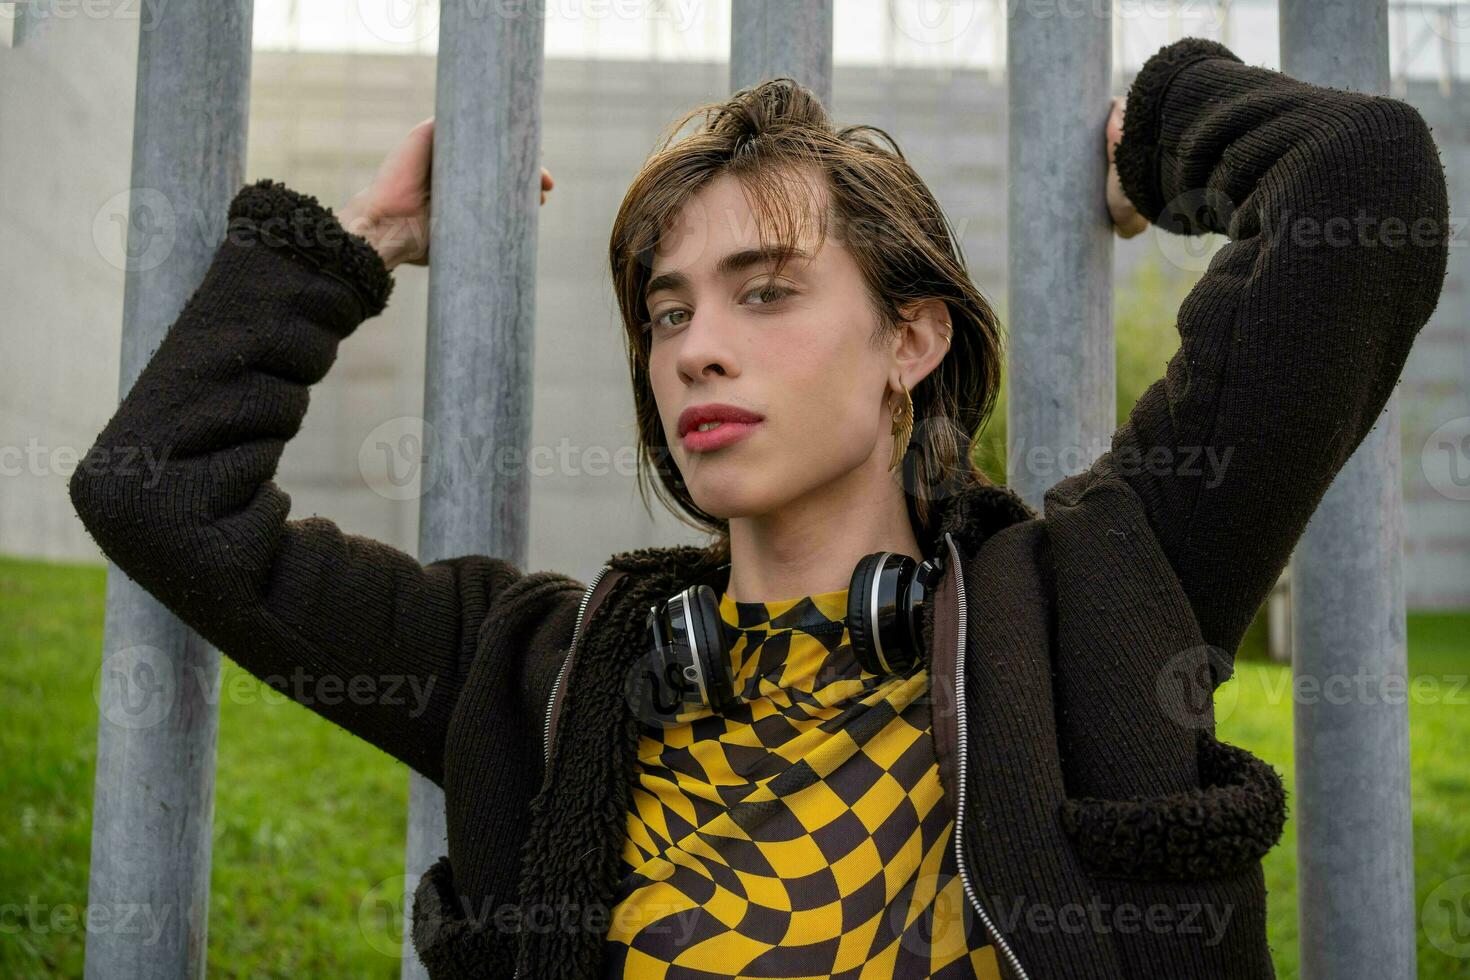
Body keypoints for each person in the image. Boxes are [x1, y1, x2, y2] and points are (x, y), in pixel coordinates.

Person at [69, 35, 1450, 980]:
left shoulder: (1090, 596)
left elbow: (1358, 177)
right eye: (667, 312)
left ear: (908, 343)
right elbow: (156, 492)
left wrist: (1154, 139)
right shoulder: (539, 674)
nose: (694, 349)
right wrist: (355, 251)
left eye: (766, 290)